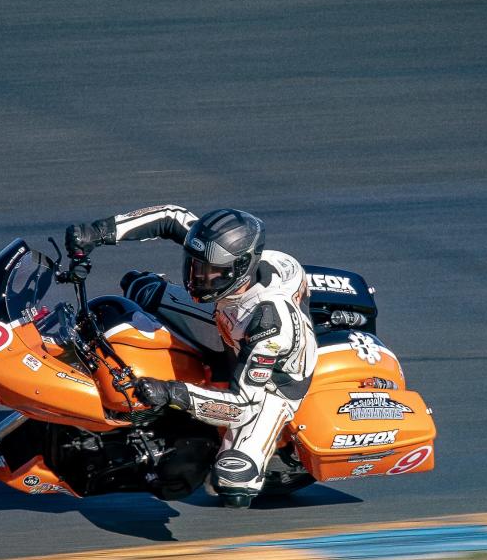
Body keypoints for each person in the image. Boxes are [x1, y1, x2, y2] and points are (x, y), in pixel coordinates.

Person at [66, 205, 317, 508]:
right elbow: (171, 217)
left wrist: (174, 393)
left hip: (274, 385)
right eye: (195, 265)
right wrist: (98, 232)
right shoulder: (222, 253)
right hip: (229, 315)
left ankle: (233, 452)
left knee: (234, 484)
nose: (198, 277)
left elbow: (244, 406)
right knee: (141, 288)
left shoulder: (270, 326)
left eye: (211, 272)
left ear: (240, 268)